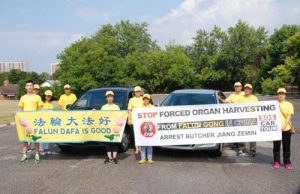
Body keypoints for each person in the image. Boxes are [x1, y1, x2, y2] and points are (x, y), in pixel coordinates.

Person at [18, 80, 43, 163]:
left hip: (35, 121)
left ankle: (37, 155)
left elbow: (41, 108)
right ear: (25, 87)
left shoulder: (37, 97)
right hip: (25, 122)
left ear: (33, 87)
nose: (29, 87)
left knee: (35, 138)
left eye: (31, 85)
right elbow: (21, 109)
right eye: (27, 85)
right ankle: (24, 155)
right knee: (25, 139)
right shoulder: (23, 97)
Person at [273, 88, 295, 170]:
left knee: (286, 146)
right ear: (277, 95)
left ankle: (287, 162)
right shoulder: (273, 104)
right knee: (276, 146)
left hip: (286, 129)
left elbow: (289, 116)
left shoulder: (289, 104)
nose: (281, 95)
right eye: (279, 93)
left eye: (282, 93)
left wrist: (284, 126)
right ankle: (276, 161)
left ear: (285, 95)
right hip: (275, 129)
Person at [237, 83, 258, 157]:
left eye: (248, 89)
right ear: (244, 89)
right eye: (245, 88)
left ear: (251, 90)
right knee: (242, 134)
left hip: (252, 119)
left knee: (253, 135)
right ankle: (241, 149)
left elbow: (257, 109)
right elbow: (236, 109)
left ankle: (252, 150)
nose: (247, 90)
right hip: (242, 119)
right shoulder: (240, 98)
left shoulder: (254, 98)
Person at [101, 91, 120, 164]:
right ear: (106, 98)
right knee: (108, 143)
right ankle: (109, 157)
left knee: (115, 142)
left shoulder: (116, 107)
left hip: (115, 128)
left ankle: (114, 157)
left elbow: (120, 116)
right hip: (106, 128)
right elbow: (100, 117)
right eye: (108, 97)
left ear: (113, 98)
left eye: (111, 96)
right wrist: (94, 112)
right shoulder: (103, 107)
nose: (109, 98)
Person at [138, 94, 155, 164]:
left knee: (150, 144)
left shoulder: (153, 107)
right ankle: (143, 158)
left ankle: (150, 159)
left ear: (149, 100)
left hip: (151, 127)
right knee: (143, 144)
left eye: (147, 99)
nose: (146, 100)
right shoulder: (140, 108)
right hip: (142, 127)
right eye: (144, 99)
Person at [128, 86, 143, 154]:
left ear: (140, 92)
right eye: (136, 91)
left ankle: (140, 147)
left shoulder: (143, 99)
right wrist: (129, 119)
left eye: (139, 91)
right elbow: (129, 110)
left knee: (141, 134)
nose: (138, 93)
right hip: (134, 121)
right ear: (134, 92)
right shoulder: (131, 100)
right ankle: (136, 148)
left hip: (142, 121)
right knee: (135, 135)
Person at [39, 90, 54, 156]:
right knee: (41, 136)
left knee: (47, 135)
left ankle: (46, 149)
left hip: (48, 122)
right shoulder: (41, 102)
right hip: (41, 121)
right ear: (44, 96)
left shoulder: (51, 104)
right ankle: (41, 150)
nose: (48, 97)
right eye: (47, 96)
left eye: (50, 96)